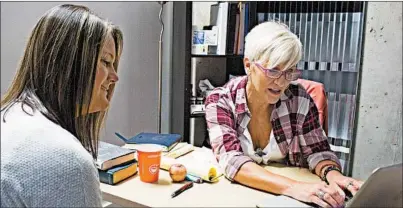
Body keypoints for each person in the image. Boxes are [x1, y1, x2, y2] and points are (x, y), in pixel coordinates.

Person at [205, 21, 362, 208]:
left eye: (289, 72)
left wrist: (334, 175)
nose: (281, 82)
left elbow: (318, 151)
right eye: (273, 71)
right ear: (248, 65)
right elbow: (232, 161)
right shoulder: (220, 101)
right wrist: (295, 188)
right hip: (233, 196)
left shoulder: (299, 98)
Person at [1, 4, 123, 207]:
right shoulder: (68, 162)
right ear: (69, 65)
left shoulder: (10, 115)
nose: (114, 77)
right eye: (105, 61)